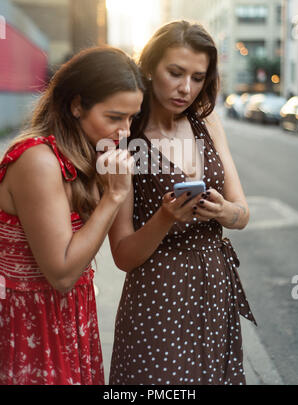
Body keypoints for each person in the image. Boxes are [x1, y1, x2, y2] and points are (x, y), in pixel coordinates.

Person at [109, 20, 256, 386]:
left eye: (197, 77)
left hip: (214, 287)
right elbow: (123, 255)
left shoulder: (209, 123)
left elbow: (242, 214)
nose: (185, 88)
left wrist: (223, 211)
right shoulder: (126, 139)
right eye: (175, 73)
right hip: (158, 294)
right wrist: (164, 216)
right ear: (148, 68)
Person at [0, 46, 144, 385]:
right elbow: (62, 273)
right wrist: (115, 195)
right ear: (76, 105)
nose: (124, 130)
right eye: (114, 117)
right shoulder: (38, 160)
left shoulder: (83, 158)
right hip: (31, 325)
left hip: (69, 318)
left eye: (131, 118)